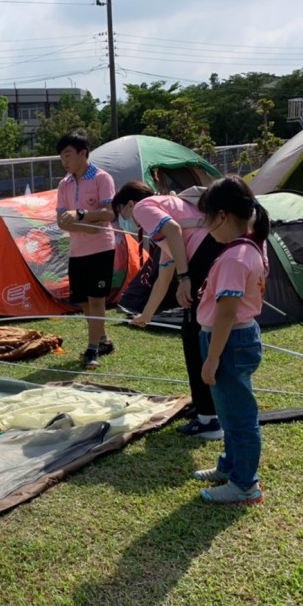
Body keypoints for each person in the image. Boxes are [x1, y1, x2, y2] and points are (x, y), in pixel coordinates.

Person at [112, 181, 225, 440]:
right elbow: (163, 279)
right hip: (211, 248)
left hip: (206, 251)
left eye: (122, 212)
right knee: (193, 330)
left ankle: (209, 419)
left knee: (194, 333)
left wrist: (185, 277)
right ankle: (206, 408)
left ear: (130, 204)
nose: (124, 220)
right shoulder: (168, 224)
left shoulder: (144, 207)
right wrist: (146, 316)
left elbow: (173, 230)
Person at [192, 175, 271, 505]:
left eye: (206, 217)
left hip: (228, 341)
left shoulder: (234, 258)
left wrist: (211, 359)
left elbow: (226, 312)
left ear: (222, 216)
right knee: (229, 411)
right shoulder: (249, 247)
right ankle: (230, 466)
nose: (205, 225)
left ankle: (244, 485)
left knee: (238, 417)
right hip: (234, 339)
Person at [55, 131, 117, 371]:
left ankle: (92, 349)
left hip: (100, 248)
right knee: (83, 301)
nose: (65, 161)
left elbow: (109, 213)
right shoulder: (64, 184)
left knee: (97, 298)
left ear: (83, 153)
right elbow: (60, 220)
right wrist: (80, 224)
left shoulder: (102, 178)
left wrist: (80, 215)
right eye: (61, 157)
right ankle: (103, 339)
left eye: (68, 155)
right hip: (77, 250)